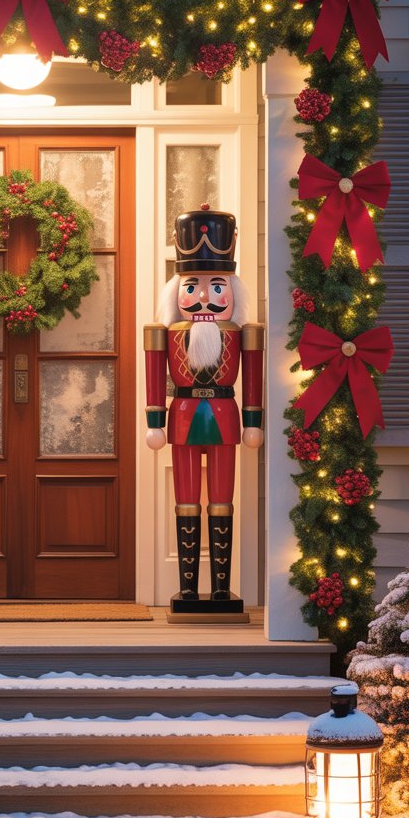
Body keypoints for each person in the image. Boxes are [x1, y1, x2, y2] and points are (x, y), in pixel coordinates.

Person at [144, 205, 263, 612]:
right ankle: (190, 587)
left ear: (233, 290)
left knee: (222, 501)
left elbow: (253, 381)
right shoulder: (167, 333)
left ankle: (221, 587)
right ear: (176, 292)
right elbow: (154, 376)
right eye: (192, 286)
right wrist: (154, 422)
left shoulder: (242, 333)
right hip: (181, 419)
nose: (203, 298)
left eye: (217, 286)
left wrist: (253, 421)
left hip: (226, 419)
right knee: (186, 500)